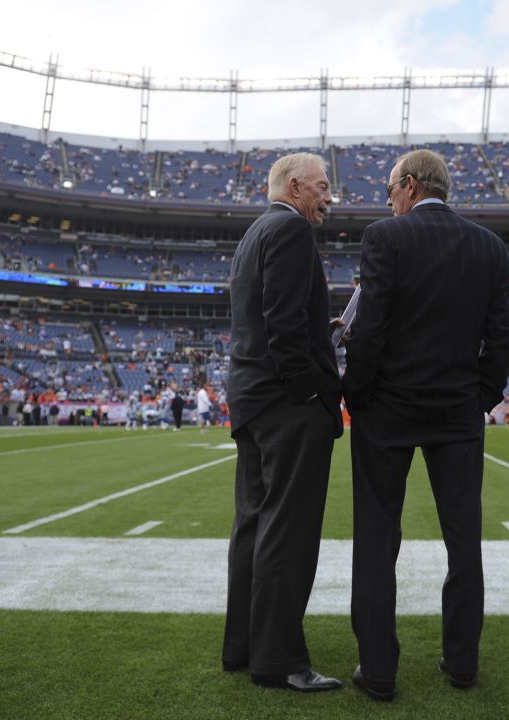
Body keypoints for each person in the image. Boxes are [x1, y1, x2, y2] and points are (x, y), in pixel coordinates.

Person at [342, 149, 509, 701]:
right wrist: (480, 398)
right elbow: (502, 339)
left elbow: (369, 330)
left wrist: (357, 396)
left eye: (391, 190)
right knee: (464, 541)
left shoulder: (385, 239)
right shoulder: (489, 247)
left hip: (388, 411)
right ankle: (462, 661)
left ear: (411, 186)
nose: (388, 200)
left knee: (376, 539)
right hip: (457, 414)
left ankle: (378, 671)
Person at [222, 152, 344, 693]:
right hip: (285, 405)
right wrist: (315, 392)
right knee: (287, 533)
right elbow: (284, 328)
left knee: (253, 525)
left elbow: (276, 317)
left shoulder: (256, 232)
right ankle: (278, 658)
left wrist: (324, 332)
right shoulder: (292, 231)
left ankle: (244, 647)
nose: (328, 197)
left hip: (252, 399)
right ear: (294, 187)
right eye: (321, 187)